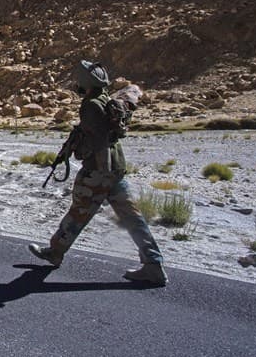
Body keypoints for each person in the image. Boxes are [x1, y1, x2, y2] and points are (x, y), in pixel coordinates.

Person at [28, 60, 168, 285]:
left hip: (100, 170)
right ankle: (153, 263)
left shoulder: (91, 105)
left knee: (79, 210)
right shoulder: (106, 100)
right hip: (115, 168)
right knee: (131, 217)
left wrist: (98, 173)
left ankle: (55, 252)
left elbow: (100, 141)